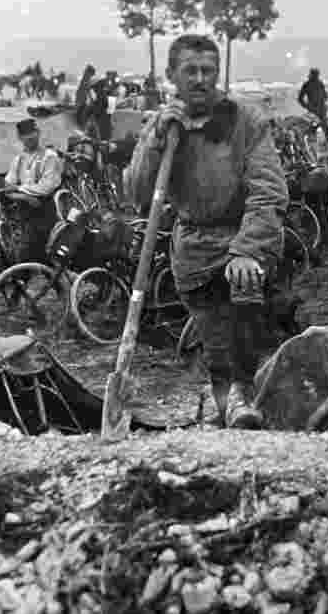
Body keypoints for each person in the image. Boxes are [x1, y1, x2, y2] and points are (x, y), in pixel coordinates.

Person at [128, 34, 289, 429]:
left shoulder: (243, 121)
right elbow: (137, 194)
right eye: (190, 71)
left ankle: (243, 398)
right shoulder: (163, 125)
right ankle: (228, 401)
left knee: (248, 316)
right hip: (194, 250)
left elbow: (269, 189)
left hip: (242, 242)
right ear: (172, 75)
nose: (200, 79)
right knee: (215, 338)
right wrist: (155, 141)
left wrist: (248, 248)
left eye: (208, 71)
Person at [3, 119, 64, 261]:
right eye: (25, 134)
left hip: (43, 212)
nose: (30, 137)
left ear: (38, 133)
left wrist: (18, 189)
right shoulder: (18, 159)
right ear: (20, 137)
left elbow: (46, 187)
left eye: (32, 132)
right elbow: (7, 188)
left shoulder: (50, 157)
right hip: (23, 213)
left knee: (41, 254)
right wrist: (26, 197)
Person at [298, 68, 328, 144]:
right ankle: (309, 142)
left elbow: (324, 95)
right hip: (313, 110)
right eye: (315, 74)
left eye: (317, 75)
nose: (316, 76)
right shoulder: (307, 84)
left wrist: (325, 99)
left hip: (321, 109)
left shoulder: (320, 83)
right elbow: (300, 99)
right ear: (312, 75)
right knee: (313, 126)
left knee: (324, 126)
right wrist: (307, 106)